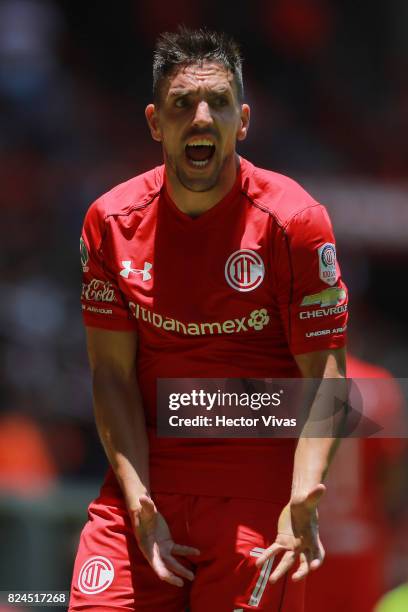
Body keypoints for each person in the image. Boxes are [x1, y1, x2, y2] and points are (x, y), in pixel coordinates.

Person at [69, 27, 348, 611]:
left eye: (218, 102)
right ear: (155, 122)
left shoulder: (294, 222)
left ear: (242, 120)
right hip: (141, 500)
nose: (201, 117)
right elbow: (111, 376)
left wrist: (302, 496)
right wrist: (137, 496)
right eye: (181, 104)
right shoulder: (110, 222)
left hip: (255, 506)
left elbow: (327, 376)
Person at [306, 354, 406, 612]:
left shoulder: (284, 382)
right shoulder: (378, 383)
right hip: (361, 546)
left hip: (299, 549)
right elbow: (391, 475)